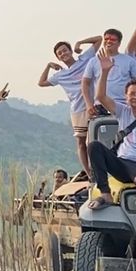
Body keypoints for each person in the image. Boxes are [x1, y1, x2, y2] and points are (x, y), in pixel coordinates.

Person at [86, 52, 136, 258]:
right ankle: (104, 192)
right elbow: (102, 97)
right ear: (126, 97)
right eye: (132, 94)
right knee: (94, 146)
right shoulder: (123, 112)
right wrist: (104, 72)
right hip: (122, 163)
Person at [38, 40, 98, 179]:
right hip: (77, 110)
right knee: (81, 143)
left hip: (94, 105)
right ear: (58, 58)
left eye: (65, 50)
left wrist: (79, 43)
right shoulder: (61, 75)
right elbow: (41, 83)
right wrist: (48, 66)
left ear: (70, 51)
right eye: (59, 53)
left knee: (94, 141)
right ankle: (89, 173)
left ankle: (99, 168)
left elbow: (99, 40)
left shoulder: (84, 60)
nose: (63, 54)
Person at [80, 30, 136, 118]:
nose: (109, 41)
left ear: (119, 43)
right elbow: (85, 83)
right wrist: (88, 104)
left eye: (112, 39)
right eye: (106, 39)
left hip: (124, 105)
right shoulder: (93, 61)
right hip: (101, 105)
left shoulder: (128, 60)